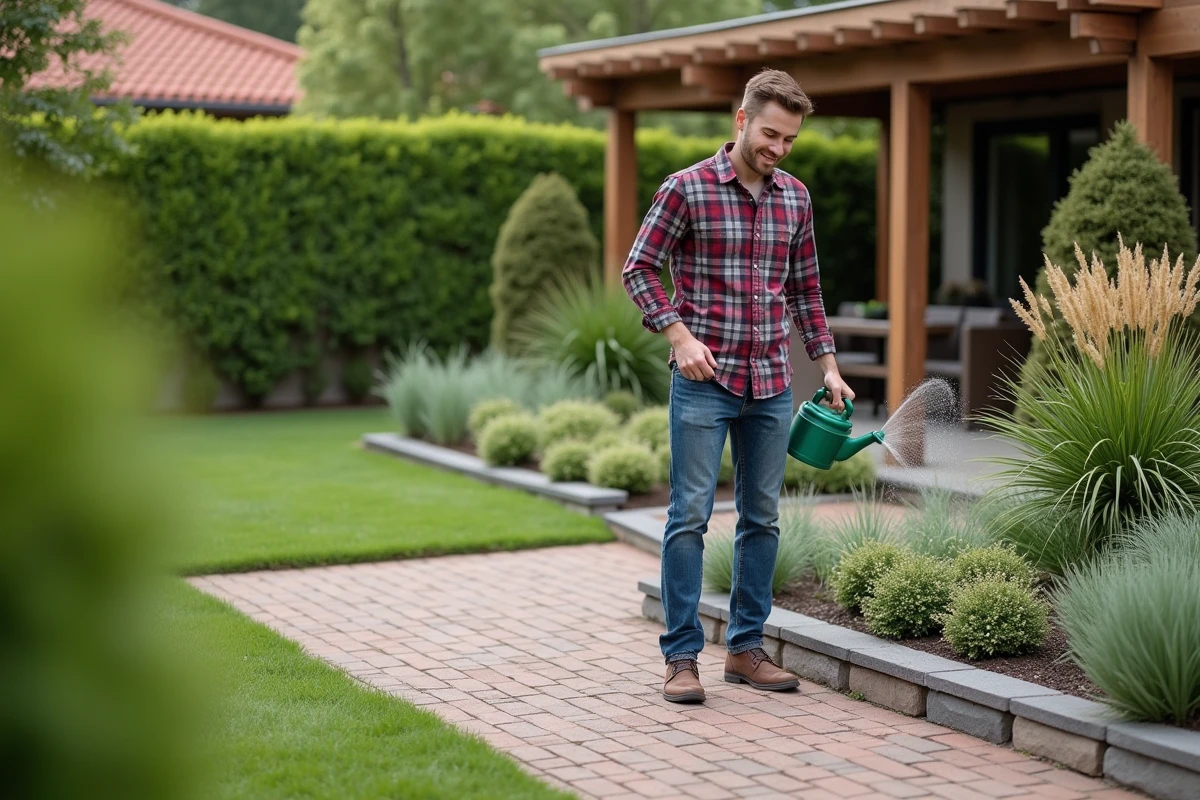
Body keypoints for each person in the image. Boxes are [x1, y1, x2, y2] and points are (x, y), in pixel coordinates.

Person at [621, 68, 854, 704]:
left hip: (772, 381)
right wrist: (678, 336)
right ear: (742, 120)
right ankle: (681, 658)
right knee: (689, 518)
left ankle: (746, 650)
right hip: (704, 382)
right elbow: (639, 269)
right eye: (770, 134)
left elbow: (805, 289)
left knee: (762, 519)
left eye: (790, 139)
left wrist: (828, 364)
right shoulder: (687, 189)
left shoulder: (796, 198)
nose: (779, 148)